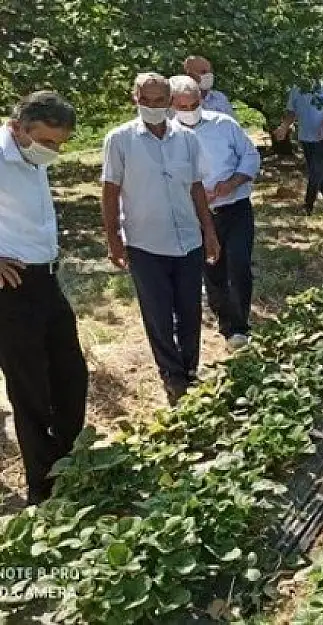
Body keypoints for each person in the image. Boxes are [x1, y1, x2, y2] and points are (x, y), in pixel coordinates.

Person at [100, 72, 221, 406]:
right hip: (145, 241)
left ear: (170, 102)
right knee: (157, 312)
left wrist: (208, 231)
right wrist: (113, 238)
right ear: (135, 100)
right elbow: (110, 191)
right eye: (146, 101)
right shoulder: (120, 140)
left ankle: (190, 368)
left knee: (190, 308)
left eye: (159, 101)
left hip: (187, 239)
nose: (153, 108)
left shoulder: (187, 139)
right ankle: (171, 374)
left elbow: (196, 187)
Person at [0, 91, 88, 505]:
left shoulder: (31, 158)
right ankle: (44, 487)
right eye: (46, 141)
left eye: (59, 143)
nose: (53, 151)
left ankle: (68, 462)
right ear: (18, 128)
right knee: (31, 389)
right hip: (12, 289)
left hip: (46, 281)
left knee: (71, 376)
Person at [169, 75, 261, 350]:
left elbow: (251, 156)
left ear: (201, 100)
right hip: (198, 213)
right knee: (213, 269)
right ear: (172, 105)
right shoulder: (168, 135)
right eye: (182, 106)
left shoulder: (224, 124)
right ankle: (227, 322)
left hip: (235, 207)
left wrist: (232, 182)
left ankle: (240, 324)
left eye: (193, 103)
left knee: (239, 264)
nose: (188, 110)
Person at [275, 80, 323, 214]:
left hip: (321, 137)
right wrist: (283, 128)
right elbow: (291, 113)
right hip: (305, 137)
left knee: (316, 172)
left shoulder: (322, 87)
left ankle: (308, 205)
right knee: (316, 172)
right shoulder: (296, 88)